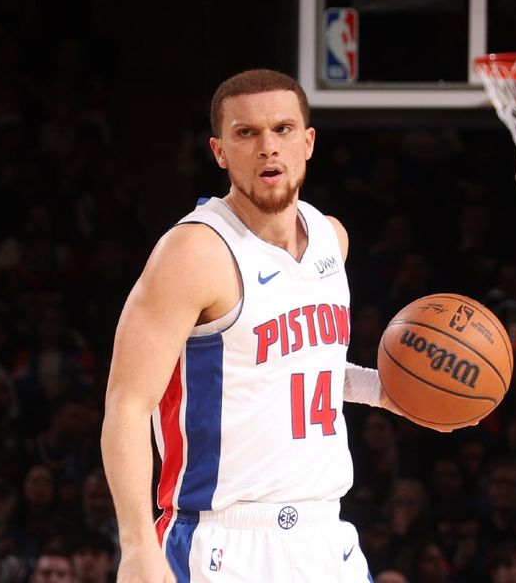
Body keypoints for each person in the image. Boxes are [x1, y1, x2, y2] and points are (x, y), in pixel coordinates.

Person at [101, 69, 454, 582]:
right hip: (223, 539)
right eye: (247, 133)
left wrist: (388, 391)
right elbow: (127, 403)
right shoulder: (194, 252)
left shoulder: (332, 238)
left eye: (283, 129)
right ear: (220, 151)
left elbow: (312, 367)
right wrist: (135, 545)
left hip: (325, 534)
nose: (268, 147)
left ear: (308, 142)